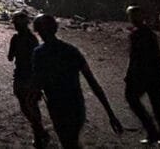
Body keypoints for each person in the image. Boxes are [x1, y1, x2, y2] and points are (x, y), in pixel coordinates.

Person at [31, 14, 123, 148]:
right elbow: (93, 82)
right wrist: (110, 113)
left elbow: (37, 83)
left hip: (57, 105)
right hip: (75, 104)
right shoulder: (71, 51)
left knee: (67, 141)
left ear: (38, 31)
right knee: (71, 141)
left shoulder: (39, 54)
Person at [125, 6, 160, 147]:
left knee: (132, 98)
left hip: (142, 74)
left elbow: (135, 58)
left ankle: (152, 131)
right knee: (158, 105)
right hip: (154, 73)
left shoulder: (136, 34)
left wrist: (130, 74)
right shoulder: (150, 33)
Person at [7, 11, 49, 148]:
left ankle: (39, 133)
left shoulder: (17, 39)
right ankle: (39, 131)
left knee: (26, 106)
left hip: (22, 75)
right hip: (29, 75)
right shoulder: (32, 39)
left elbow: (10, 57)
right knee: (32, 106)